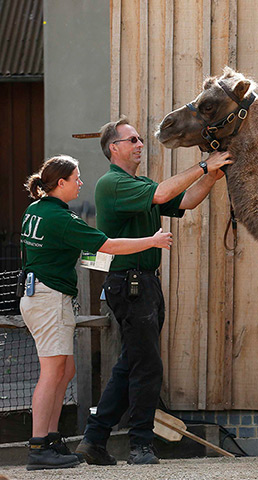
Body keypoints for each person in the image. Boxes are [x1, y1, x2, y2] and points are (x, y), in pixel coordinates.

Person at [75, 117, 232, 465]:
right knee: (148, 366)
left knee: (130, 363)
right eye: (131, 140)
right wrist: (204, 164)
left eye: (140, 140)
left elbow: (186, 201)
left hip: (143, 283)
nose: (139, 145)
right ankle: (140, 444)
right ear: (114, 148)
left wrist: (211, 176)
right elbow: (164, 193)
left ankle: (94, 438)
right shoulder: (112, 184)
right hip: (130, 284)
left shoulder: (138, 184)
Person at [19, 155, 174, 471]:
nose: (80, 183)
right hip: (49, 298)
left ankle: (51, 439)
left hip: (39, 295)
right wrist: (154, 240)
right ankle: (38, 447)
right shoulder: (61, 219)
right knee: (52, 373)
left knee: (66, 370)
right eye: (76, 177)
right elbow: (109, 246)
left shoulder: (34, 211)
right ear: (60, 183)